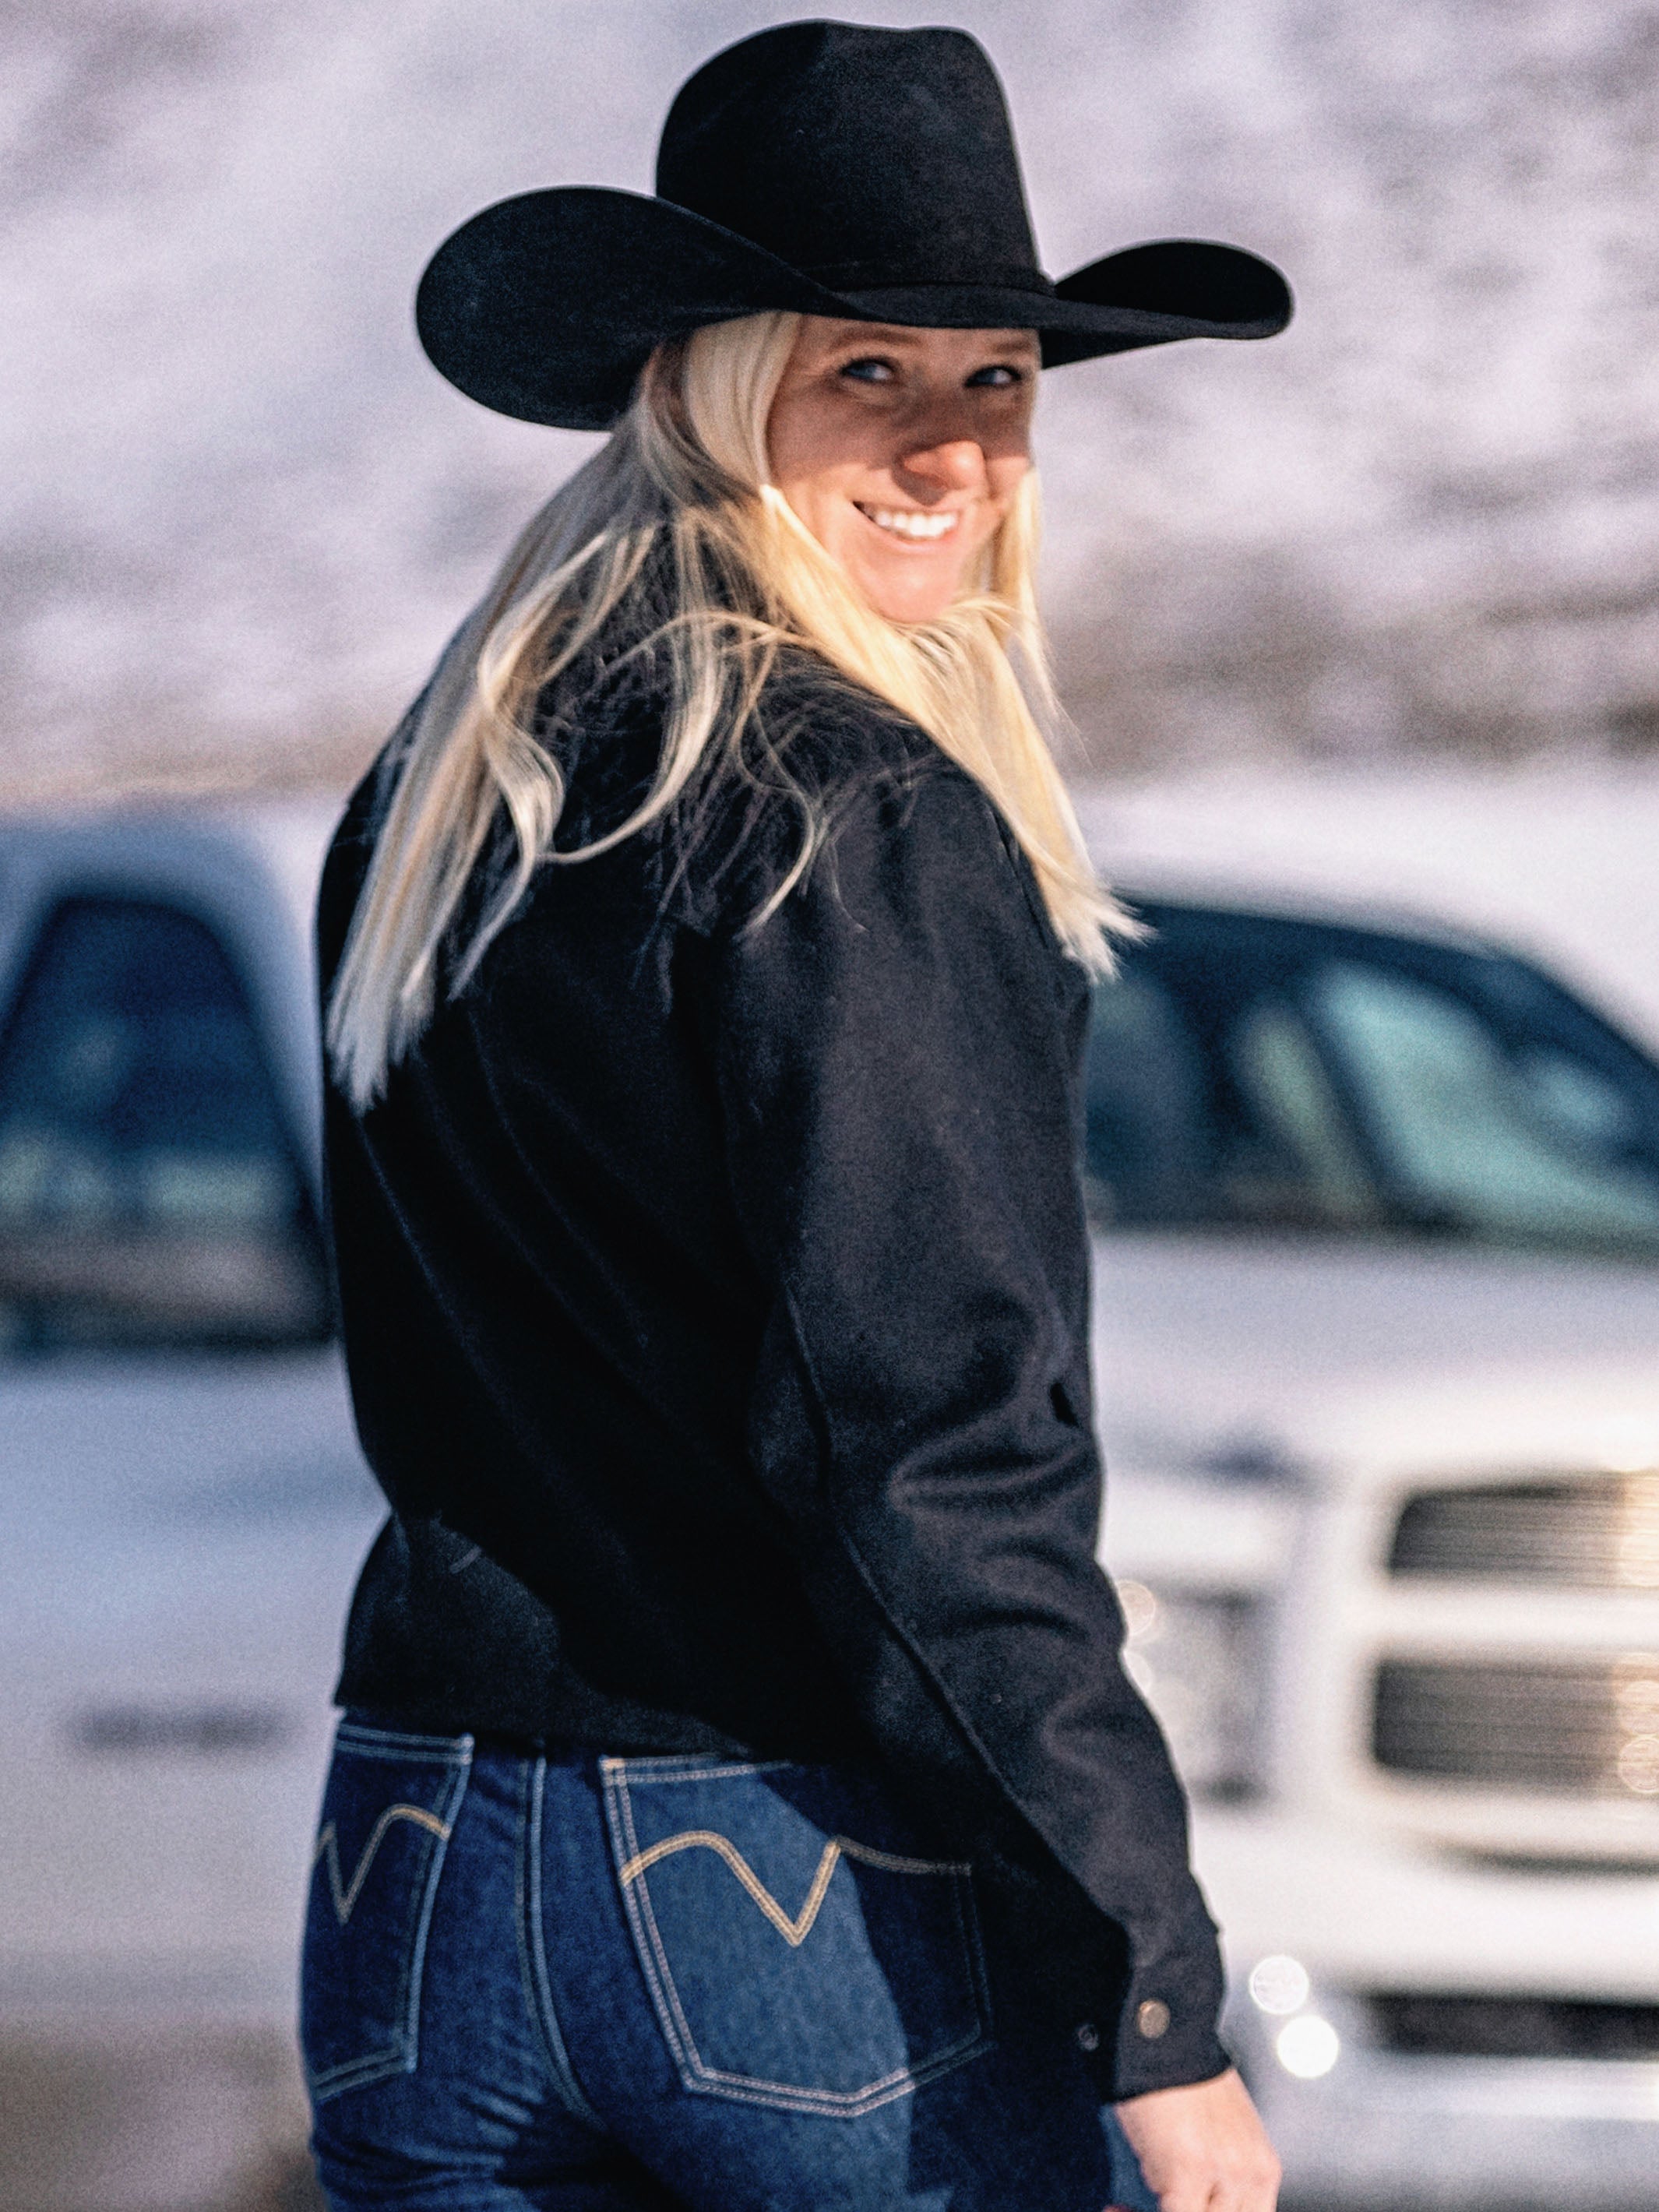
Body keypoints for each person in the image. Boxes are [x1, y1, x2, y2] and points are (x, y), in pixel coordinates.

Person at [302, 21, 1291, 2211]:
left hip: (419, 1864)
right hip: (773, 1895)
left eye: (997, 379)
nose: (951, 449)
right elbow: (935, 1448)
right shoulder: (847, 808)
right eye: (868, 373)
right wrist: (1147, 1983)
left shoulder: (454, 783)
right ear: (708, 385)